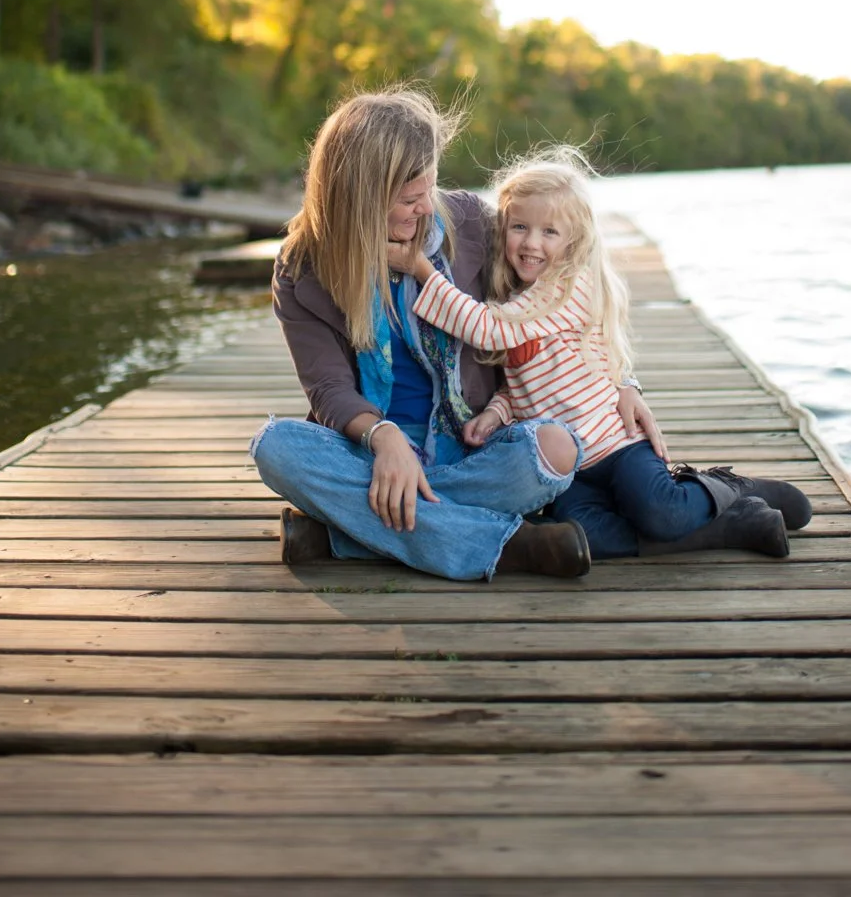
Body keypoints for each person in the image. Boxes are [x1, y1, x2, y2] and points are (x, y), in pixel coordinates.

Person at [250, 89, 653, 580]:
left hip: (472, 448)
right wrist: (384, 439)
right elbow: (328, 388)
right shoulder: (302, 266)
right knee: (275, 447)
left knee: (556, 448)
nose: (427, 208)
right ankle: (506, 546)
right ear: (361, 196)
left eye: (430, 189)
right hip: (366, 453)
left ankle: (344, 531)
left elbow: (564, 293)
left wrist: (624, 381)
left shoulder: (469, 222)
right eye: (410, 199)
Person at [387, 148, 812, 559]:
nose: (532, 243)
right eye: (520, 227)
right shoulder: (519, 297)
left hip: (615, 443)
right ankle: (731, 526)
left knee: (662, 511)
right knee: (582, 534)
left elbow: (487, 329)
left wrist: (422, 270)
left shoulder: (567, 289)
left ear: (573, 241)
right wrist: (497, 414)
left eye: (550, 231)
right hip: (573, 466)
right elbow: (523, 384)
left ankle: (734, 488)